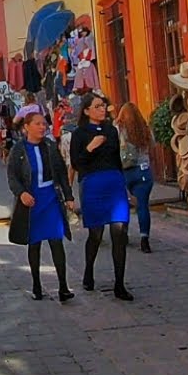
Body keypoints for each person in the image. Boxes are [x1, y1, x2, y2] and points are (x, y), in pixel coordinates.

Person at [7, 111, 76, 303]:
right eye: (37, 124)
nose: (42, 127)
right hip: (32, 201)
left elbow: (62, 172)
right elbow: (12, 176)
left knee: (56, 241)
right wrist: (22, 193)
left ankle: (63, 286)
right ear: (26, 127)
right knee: (35, 243)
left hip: (51, 198)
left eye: (43, 124)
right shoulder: (19, 150)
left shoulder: (50, 147)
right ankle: (36, 285)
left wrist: (68, 196)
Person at [70, 91, 132, 300]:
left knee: (119, 231)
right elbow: (77, 163)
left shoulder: (111, 131)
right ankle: (88, 271)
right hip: (92, 183)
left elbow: (117, 159)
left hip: (114, 183)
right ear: (87, 111)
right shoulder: (79, 134)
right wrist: (90, 147)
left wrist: (125, 186)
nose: (102, 109)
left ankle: (120, 284)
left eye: (103, 105)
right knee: (96, 234)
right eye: (97, 106)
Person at [116, 102, 155, 253]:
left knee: (123, 204)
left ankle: (123, 233)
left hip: (125, 172)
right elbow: (152, 147)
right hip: (143, 172)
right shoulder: (145, 130)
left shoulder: (118, 129)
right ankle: (144, 238)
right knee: (143, 206)